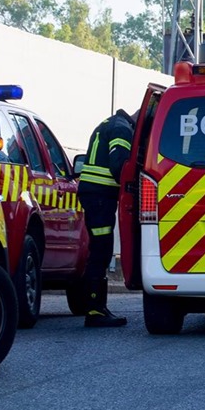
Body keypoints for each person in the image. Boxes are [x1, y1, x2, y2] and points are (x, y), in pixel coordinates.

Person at [75, 109, 135, 327]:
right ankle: (95, 310)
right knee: (101, 250)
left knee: (99, 249)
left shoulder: (110, 123)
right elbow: (118, 164)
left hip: (96, 196)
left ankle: (94, 306)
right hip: (99, 197)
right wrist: (134, 187)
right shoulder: (122, 129)